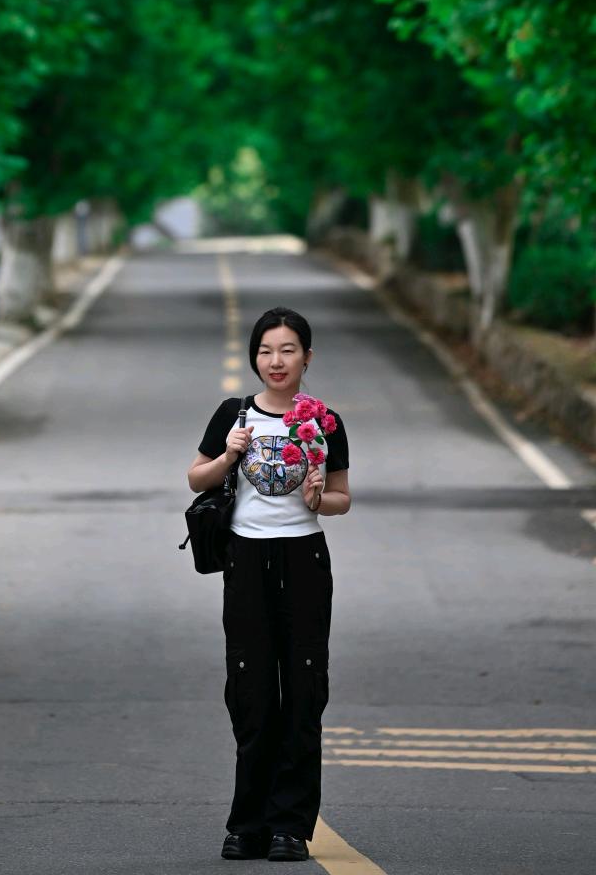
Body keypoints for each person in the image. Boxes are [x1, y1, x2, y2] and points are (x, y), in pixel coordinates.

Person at [187, 307, 351, 863]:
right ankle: (247, 823)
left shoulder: (325, 421)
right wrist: (230, 453)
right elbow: (195, 476)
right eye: (265, 351)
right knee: (251, 690)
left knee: (304, 692)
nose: (275, 361)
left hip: (304, 559)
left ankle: (289, 825)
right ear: (255, 358)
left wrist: (316, 498)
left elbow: (342, 499)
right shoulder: (234, 415)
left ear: (307, 356)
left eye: (287, 350)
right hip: (246, 562)